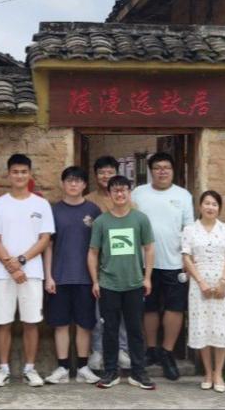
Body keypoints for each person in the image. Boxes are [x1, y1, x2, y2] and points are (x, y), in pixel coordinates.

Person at [0, 154, 55, 388]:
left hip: (32, 272)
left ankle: (30, 368)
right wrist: (11, 265)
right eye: (15, 172)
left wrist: (22, 260)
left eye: (23, 172)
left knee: (31, 322)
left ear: (30, 174)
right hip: (2, 273)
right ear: (8, 174)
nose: (19, 176)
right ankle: (3, 369)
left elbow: (44, 238)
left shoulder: (41, 204)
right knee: (3, 322)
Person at [88, 175, 156, 390]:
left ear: (129, 193)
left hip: (134, 283)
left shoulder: (140, 219)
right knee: (109, 330)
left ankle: (138, 372)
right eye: (115, 190)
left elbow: (149, 248)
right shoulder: (101, 222)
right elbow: (93, 252)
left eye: (123, 190)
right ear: (109, 194)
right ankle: (110, 372)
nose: (119, 194)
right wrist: (95, 281)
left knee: (135, 330)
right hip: (108, 284)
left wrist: (147, 277)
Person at [130, 152, 192, 380]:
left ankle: (167, 352)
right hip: (145, 264)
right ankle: (151, 349)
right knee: (149, 308)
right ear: (150, 171)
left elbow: (188, 229)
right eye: (157, 168)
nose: (162, 171)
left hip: (175, 263)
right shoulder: (138, 193)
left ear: (173, 171)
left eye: (166, 167)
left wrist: (187, 258)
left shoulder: (183, 195)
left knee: (175, 308)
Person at [43, 166, 103, 384]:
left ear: (85, 185)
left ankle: (83, 368)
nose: (73, 184)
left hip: (86, 278)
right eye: (69, 180)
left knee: (84, 324)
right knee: (60, 324)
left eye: (78, 180)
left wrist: (97, 279)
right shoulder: (53, 211)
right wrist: (49, 276)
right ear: (62, 184)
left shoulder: (94, 211)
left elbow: (99, 247)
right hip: (59, 277)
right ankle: (63, 367)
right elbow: (48, 246)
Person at [182, 190, 225, 393]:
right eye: (207, 203)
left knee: (221, 327)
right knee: (203, 327)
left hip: (223, 282)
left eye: (214, 204)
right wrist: (201, 282)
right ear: (200, 206)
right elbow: (187, 258)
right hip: (199, 284)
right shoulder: (190, 230)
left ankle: (219, 373)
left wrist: (223, 281)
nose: (210, 207)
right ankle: (207, 372)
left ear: (219, 208)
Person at [84, 156, 131, 372]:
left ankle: (122, 349)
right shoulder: (88, 201)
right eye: (101, 172)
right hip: (98, 264)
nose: (105, 176)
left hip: (123, 265)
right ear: (95, 176)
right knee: (98, 312)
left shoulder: (129, 202)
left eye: (110, 172)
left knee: (122, 312)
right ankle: (98, 350)